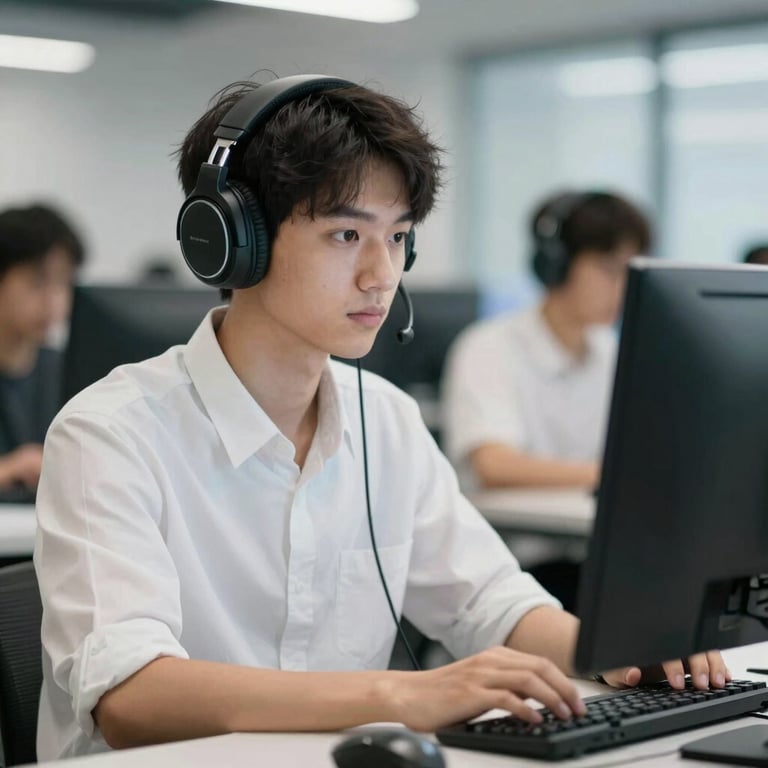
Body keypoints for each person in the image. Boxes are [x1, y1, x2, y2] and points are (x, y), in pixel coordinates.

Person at [34, 76, 726, 760]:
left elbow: (487, 599)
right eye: (345, 235)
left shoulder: (384, 420)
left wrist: (622, 654)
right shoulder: (112, 434)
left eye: (397, 238)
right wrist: (397, 696)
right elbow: (131, 697)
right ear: (232, 241)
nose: (382, 274)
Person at [442, 190, 652, 492]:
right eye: (609, 269)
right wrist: (610, 476)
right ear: (558, 265)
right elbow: (494, 465)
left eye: (630, 271)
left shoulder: (610, 351)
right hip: (510, 536)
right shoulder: (488, 348)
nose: (623, 287)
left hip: (582, 532)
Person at [0, 203, 85, 493]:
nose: (53, 300)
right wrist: (8, 471)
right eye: (37, 282)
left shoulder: (68, 370)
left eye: (63, 283)